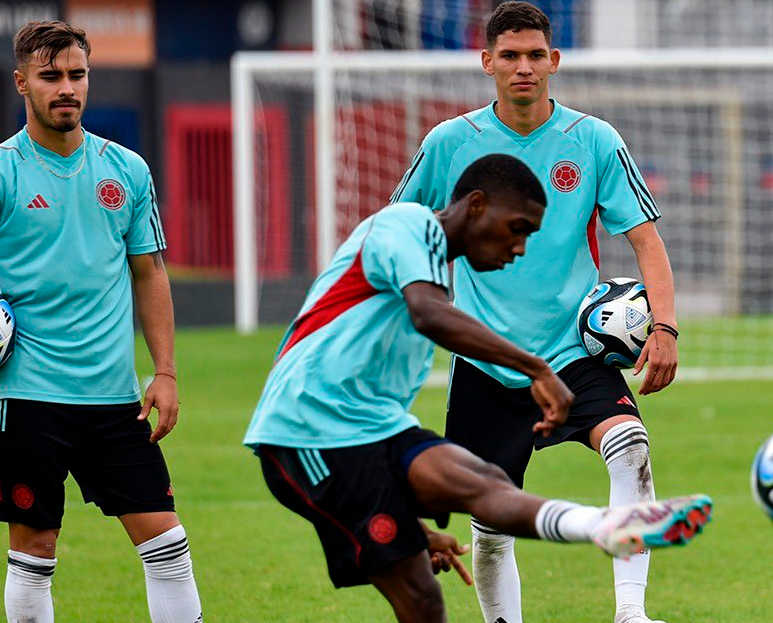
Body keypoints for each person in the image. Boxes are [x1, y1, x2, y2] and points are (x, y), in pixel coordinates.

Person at [244, 153, 711, 623]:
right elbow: (430, 315)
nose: (522, 247)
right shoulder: (406, 226)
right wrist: (536, 368)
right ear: (477, 205)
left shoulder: (434, 280)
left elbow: (396, 384)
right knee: (421, 592)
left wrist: (413, 522)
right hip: (306, 430)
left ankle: (605, 526)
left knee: (481, 488)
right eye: (518, 228)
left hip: (372, 429)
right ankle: (602, 526)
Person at [391, 1, 681, 623]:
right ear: (487, 62)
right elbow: (397, 228)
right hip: (487, 361)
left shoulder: (594, 140)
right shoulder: (449, 144)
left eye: (535, 56)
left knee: (629, 446)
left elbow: (646, 239)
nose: (523, 67)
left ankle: (631, 612)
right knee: (490, 518)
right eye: (510, 56)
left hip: (575, 350)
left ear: (554, 61)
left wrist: (664, 326)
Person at [0, 21, 203, 623]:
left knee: (167, 545)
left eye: (76, 75)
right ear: (22, 84)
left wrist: (164, 371)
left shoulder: (128, 170)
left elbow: (150, 273)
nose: (66, 88)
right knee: (35, 551)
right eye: (50, 76)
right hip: (25, 396)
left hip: (114, 397)